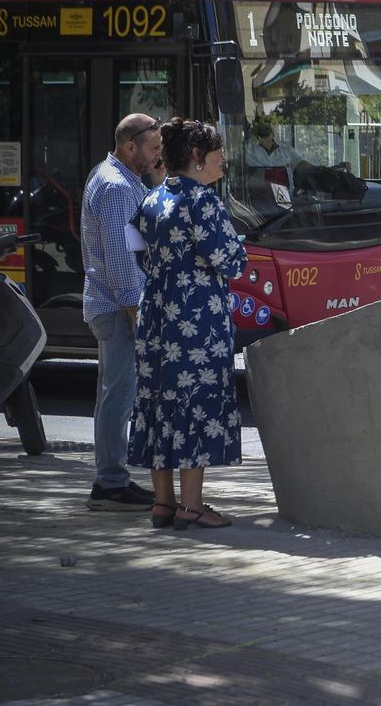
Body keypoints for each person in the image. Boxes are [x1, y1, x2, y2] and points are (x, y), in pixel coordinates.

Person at [129, 119, 247, 530]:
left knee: (158, 401)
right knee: (195, 400)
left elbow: (141, 255)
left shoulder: (152, 199)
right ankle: (192, 506)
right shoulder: (203, 201)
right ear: (197, 156)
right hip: (196, 318)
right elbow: (230, 260)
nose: (223, 158)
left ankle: (163, 503)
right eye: (217, 152)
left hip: (156, 313)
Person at [79, 114, 163, 512]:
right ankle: (110, 484)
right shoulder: (115, 188)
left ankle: (111, 479)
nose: (158, 154)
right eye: (153, 148)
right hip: (119, 308)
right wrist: (137, 314)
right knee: (119, 396)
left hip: (115, 306)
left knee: (115, 394)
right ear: (131, 146)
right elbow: (120, 261)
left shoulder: (121, 178)